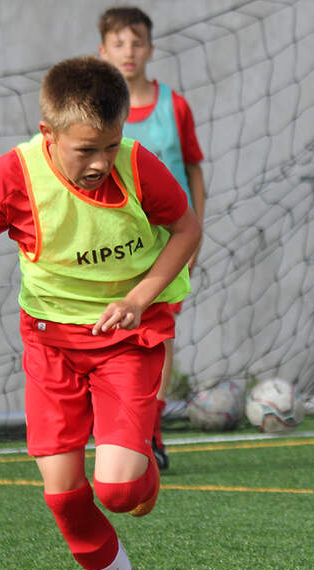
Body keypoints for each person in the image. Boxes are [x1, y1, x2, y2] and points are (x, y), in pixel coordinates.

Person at [0, 56, 201, 570]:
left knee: (117, 492)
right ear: (49, 132)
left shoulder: (139, 167)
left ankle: (139, 472)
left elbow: (186, 228)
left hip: (126, 340)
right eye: (85, 149)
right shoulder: (11, 175)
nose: (100, 161)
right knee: (64, 496)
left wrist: (138, 297)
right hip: (50, 346)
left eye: (110, 145)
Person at [98, 5, 206, 471]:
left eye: (136, 42)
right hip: (111, 249)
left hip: (168, 245)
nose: (128, 52)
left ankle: (152, 429)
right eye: (118, 43)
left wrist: (196, 230)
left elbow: (194, 172)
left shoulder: (173, 105)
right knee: (109, 334)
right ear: (102, 51)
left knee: (158, 336)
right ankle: (116, 426)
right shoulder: (96, 113)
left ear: (150, 48)